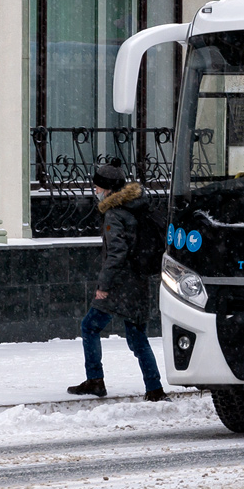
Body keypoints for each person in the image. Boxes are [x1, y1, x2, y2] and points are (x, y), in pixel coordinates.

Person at [67, 163, 166, 402]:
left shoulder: (114, 214)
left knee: (89, 326)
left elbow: (116, 254)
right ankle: (154, 388)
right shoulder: (137, 206)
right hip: (139, 280)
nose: (95, 190)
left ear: (108, 189)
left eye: (98, 186)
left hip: (120, 284)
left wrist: (104, 286)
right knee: (137, 337)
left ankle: (95, 380)